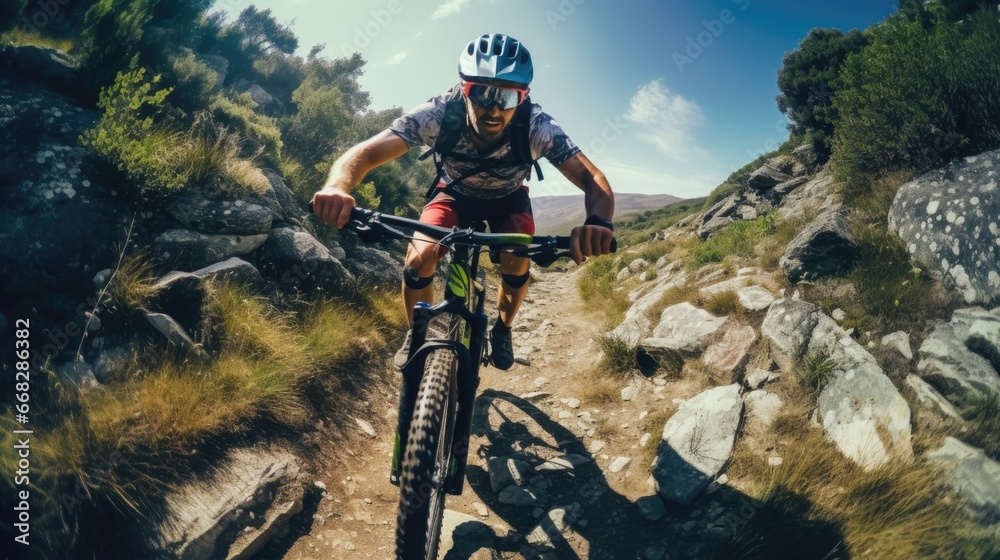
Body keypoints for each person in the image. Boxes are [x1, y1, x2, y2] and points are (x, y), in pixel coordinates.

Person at [311, 33, 615, 370]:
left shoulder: (537, 126)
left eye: (508, 96)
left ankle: (503, 329)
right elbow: (368, 152)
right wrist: (338, 186)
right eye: (482, 92)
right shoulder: (439, 113)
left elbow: (591, 178)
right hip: (453, 194)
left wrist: (598, 222)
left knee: (516, 262)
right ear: (463, 88)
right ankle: (418, 332)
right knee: (419, 257)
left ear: (524, 96)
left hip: (508, 200)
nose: (495, 108)